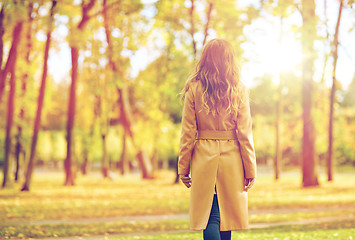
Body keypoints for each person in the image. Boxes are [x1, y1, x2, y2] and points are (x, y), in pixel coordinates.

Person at [177, 38, 257, 240]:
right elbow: (245, 134)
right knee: (225, 216)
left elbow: (187, 133)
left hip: (203, 156)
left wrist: (183, 167)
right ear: (230, 60)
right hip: (232, 159)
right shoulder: (239, 89)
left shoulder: (194, 88)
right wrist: (250, 169)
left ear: (205, 59)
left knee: (211, 216)